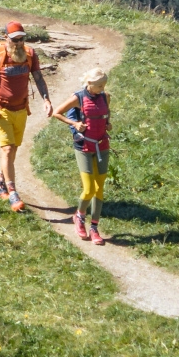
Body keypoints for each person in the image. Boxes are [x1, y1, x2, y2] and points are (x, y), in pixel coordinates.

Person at [0, 22, 48, 212]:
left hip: (21, 110)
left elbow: (38, 77)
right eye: (14, 39)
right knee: (8, 149)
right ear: (6, 38)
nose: (18, 43)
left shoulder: (30, 54)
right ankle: (13, 193)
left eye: (21, 39)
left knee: (14, 149)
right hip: (1, 110)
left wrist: (46, 99)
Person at [53, 68, 111, 243]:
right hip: (84, 147)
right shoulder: (78, 98)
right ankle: (79, 216)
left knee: (99, 188)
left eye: (104, 85)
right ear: (90, 83)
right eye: (99, 86)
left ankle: (94, 228)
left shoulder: (105, 97)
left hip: (102, 146)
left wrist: (108, 124)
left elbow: (106, 113)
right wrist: (74, 123)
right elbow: (56, 112)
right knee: (89, 189)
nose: (102, 89)